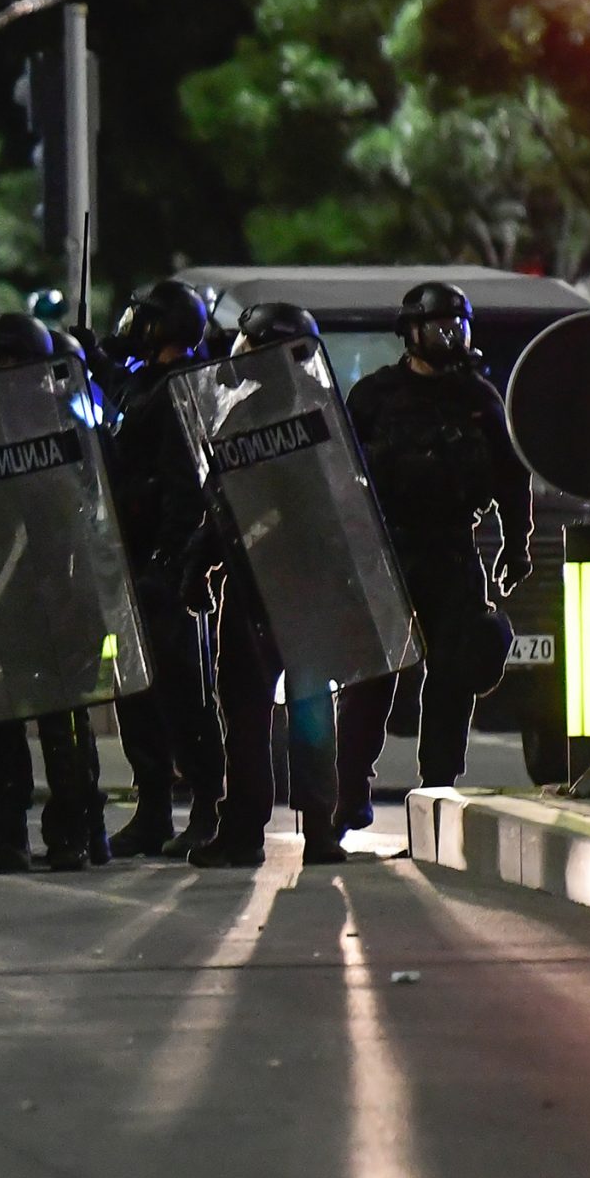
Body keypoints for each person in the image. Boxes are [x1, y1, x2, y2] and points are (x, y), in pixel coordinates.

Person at [334, 280, 533, 839]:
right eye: (437, 326)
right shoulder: (374, 397)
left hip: (452, 549)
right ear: (410, 333)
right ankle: (350, 793)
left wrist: (516, 547)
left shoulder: (479, 399)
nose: (449, 337)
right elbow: (342, 476)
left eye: (457, 326)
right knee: (372, 677)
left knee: (451, 677)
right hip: (388, 551)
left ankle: (438, 791)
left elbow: (512, 479)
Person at [0, 314, 109, 874]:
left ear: (3, 364)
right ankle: (74, 837)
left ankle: (12, 837)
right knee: (60, 719)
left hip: (25, 593)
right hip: (49, 593)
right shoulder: (64, 419)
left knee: (9, 717)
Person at [187, 303, 347, 868]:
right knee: (287, 712)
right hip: (283, 585)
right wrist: (200, 562)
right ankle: (309, 830)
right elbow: (224, 504)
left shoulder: (284, 413)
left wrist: (203, 561)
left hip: (282, 583)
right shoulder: (306, 410)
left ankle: (263, 831)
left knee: (267, 714)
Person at [102, 277, 224, 858]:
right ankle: (152, 809)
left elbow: (184, 487)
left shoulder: (181, 390)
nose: (133, 325)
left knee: (183, 697)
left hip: (162, 566)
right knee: (136, 697)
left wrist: (170, 560)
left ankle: (207, 809)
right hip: (127, 563)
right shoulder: (141, 385)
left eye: (144, 319)